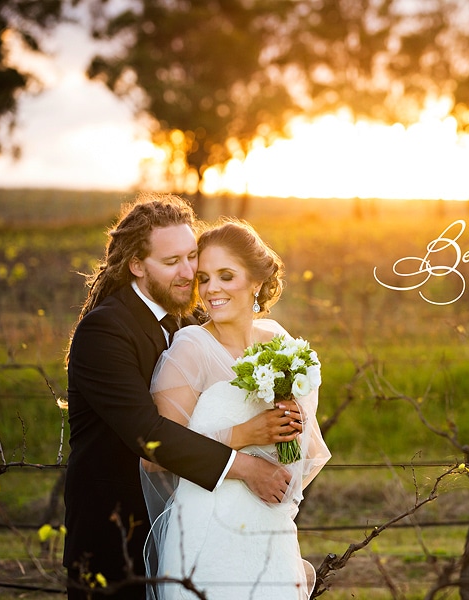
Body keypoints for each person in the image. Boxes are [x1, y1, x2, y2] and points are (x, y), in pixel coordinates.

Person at [64, 194, 302, 600]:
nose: (189, 272)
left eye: (192, 256)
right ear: (137, 266)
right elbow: (150, 434)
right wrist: (243, 462)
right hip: (116, 532)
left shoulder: (188, 318)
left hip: (192, 521)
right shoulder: (105, 331)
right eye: (172, 262)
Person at [142, 217, 331, 600]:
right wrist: (246, 435)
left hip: (268, 525)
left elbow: (308, 452)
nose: (212, 289)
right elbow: (155, 455)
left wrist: (290, 426)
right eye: (205, 278)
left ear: (256, 283)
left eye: (226, 276)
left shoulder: (279, 343)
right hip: (207, 527)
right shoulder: (189, 349)